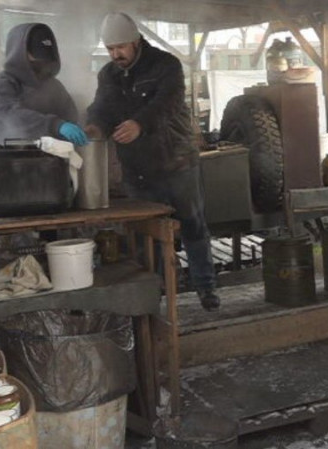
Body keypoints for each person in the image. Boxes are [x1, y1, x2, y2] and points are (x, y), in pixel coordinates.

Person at [84, 12, 219, 311]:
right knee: (147, 234)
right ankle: (154, 295)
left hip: (176, 161)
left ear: (135, 41)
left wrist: (139, 124)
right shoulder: (108, 75)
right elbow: (102, 108)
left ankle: (206, 287)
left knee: (193, 225)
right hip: (137, 170)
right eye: (110, 49)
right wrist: (94, 127)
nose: (115, 54)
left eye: (120, 47)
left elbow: (168, 103)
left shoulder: (166, 65)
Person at [0, 23, 87, 146]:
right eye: (35, 60)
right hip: (8, 151)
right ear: (19, 54)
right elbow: (11, 115)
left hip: (50, 151)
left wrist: (76, 126)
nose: (42, 65)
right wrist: (56, 125)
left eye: (46, 61)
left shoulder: (53, 85)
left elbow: (69, 113)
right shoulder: (2, 83)